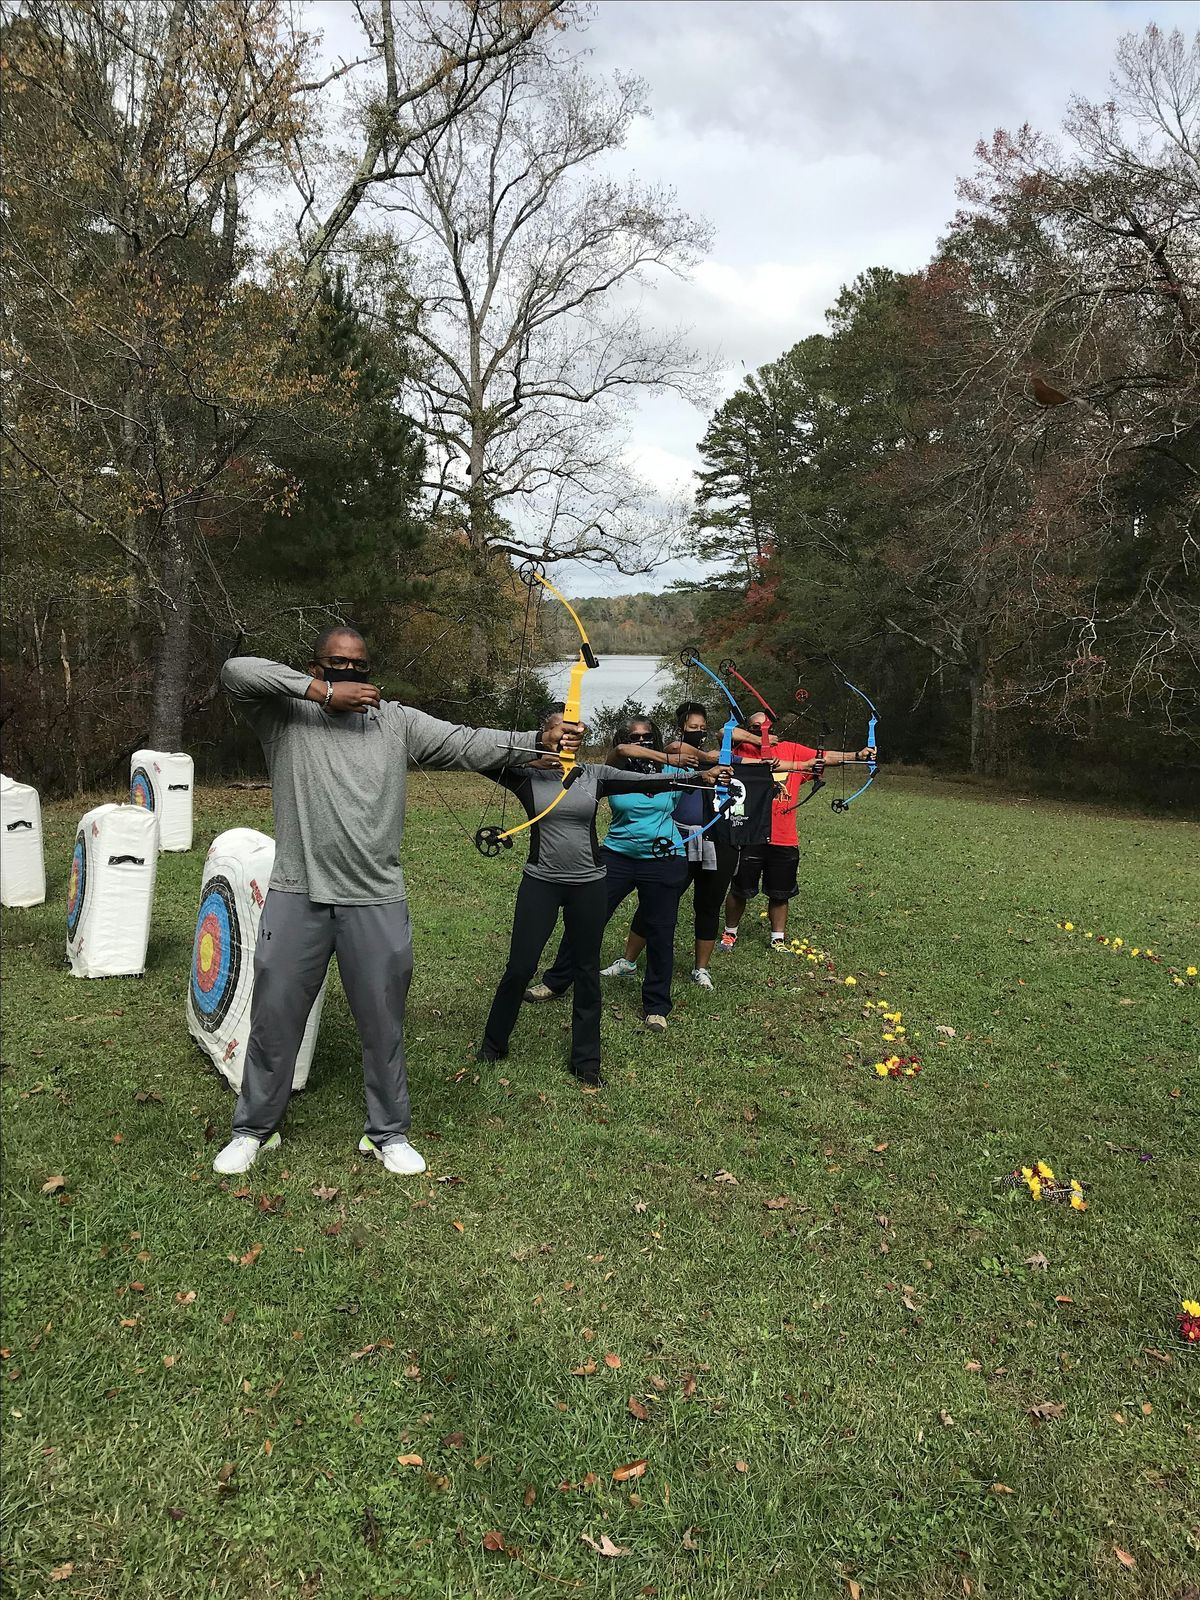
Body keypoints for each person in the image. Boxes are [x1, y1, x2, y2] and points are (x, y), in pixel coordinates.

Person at [211, 626, 560, 1178]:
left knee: (383, 1025)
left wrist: (539, 739)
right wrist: (322, 694)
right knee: (274, 1019)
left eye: (359, 665)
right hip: (297, 893)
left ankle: (388, 1132)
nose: (350, 672)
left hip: (375, 898)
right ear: (317, 667)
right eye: (337, 663)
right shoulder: (284, 716)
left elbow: (467, 741)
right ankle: (254, 1129)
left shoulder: (394, 721)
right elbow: (235, 671)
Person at [477, 711, 713, 1073]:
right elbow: (481, 758)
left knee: (587, 972)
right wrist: (531, 754)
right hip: (541, 881)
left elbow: (656, 779)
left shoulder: (594, 774)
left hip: (588, 883)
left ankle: (586, 1063)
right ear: (544, 734)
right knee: (520, 967)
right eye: (559, 730)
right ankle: (493, 1046)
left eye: (573, 731)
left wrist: (702, 775)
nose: (567, 737)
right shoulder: (526, 776)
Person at [522, 715, 723, 1034]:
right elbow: (620, 752)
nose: (640, 742)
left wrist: (712, 768)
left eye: (646, 736)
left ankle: (656, 1006)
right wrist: (665, 757)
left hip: (663, 857)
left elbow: (700, 764)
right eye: (634, 737)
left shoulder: (673, 770)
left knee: (660, 932)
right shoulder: (613, 771)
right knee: (586, 920)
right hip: (617, 855)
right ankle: (556, 981)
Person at [598, 701, 764, 992]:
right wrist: (697, 759)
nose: (698, 732)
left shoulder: (682, 764)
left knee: (706, 904)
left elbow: (714, 766)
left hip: (705, 839)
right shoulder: (660, 758)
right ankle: (628, 961)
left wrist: (770, 763)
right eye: (692, 727)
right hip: (640, 850)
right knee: (650, 906)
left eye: (702, 728)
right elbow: (631, 750)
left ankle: (701, 969)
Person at [720, 709, 875, 952]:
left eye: (766, 727)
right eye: (756, 727)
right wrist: (759, 741)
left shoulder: (790, 749)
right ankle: (730, 933)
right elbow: (724, 733)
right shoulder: (740, 751)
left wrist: (857, 755)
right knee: (740, 889)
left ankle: (777, 939)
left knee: (780, 892)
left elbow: (824, 757)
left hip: (784, 836)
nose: (762, 731)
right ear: (748, 730)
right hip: (750, 832)